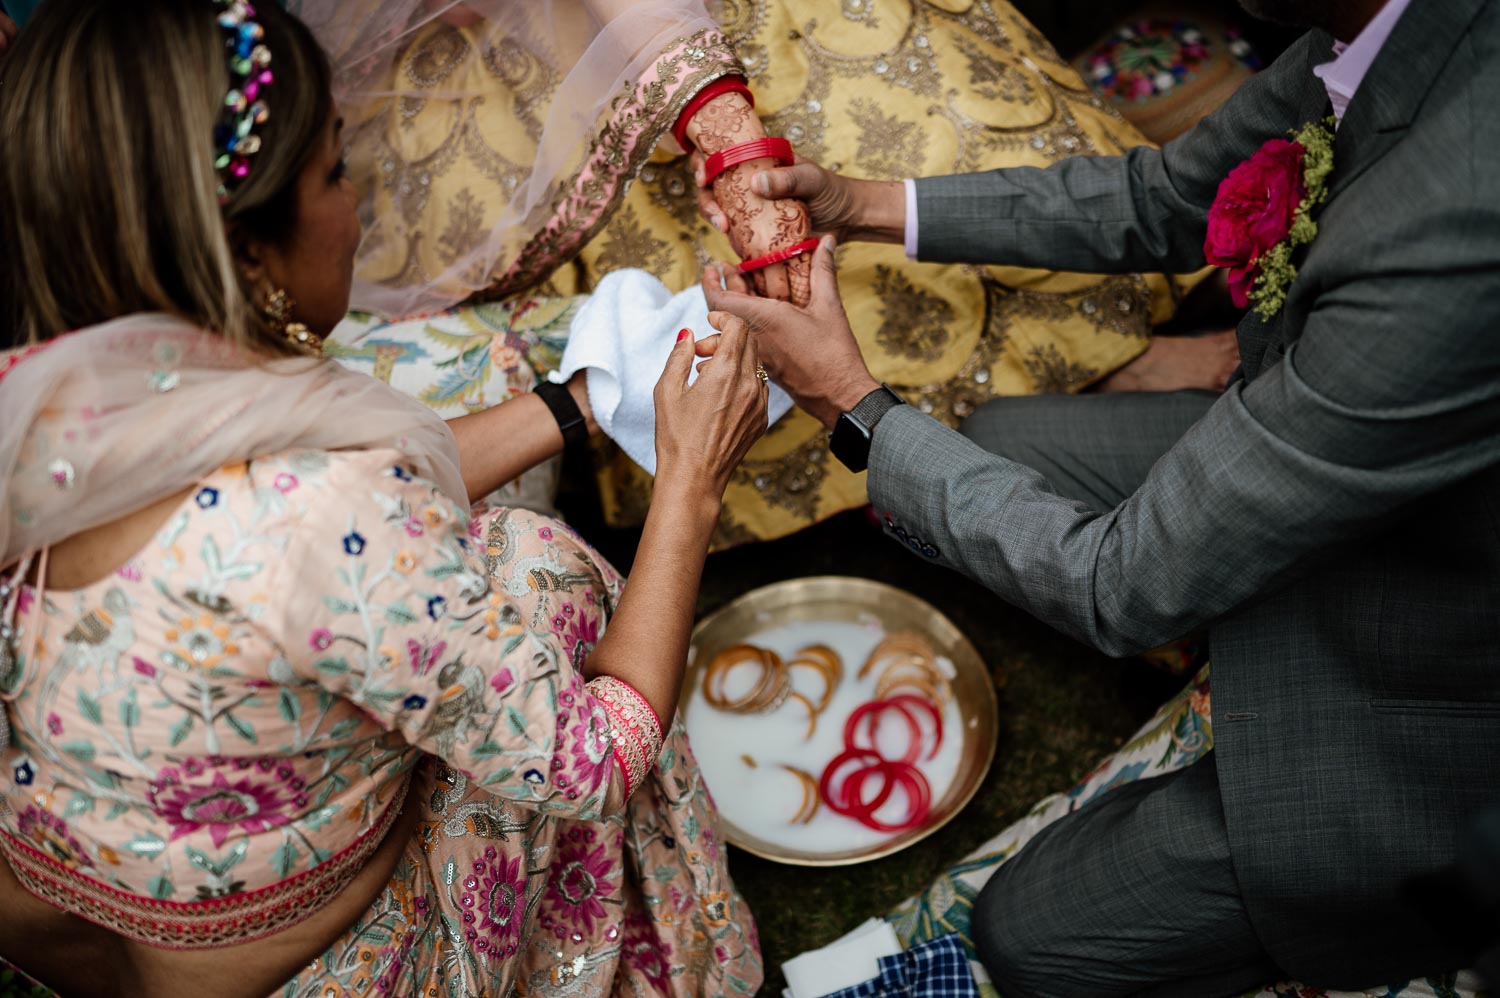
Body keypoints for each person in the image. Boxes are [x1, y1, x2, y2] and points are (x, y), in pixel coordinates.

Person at [698, 0, 1500, 990]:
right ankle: (1212, 652)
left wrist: (851, 402)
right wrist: (860, 202)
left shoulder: (1459, 217)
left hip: (1425, 660)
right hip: (1323, 456)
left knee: (1027, 933)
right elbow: (1167, 197)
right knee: (1000, 444)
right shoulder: (1383, 29)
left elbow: (1121, 583)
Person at [0, 2, 766, 995]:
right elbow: (597, 757)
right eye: (332, 167)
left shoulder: (50, 396)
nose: (356, 198)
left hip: (84, 918)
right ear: (247, 254)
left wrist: (580, 402)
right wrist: (692, 483)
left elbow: (346, 498)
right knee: (544, 576)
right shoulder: (326, 519)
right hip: (333, 967)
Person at [284, 0, 1240, 549]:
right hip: (498, 41)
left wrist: (743, 135)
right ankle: (874, 444)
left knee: (920, 115)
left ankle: (1093, 358)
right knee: (705, 285)